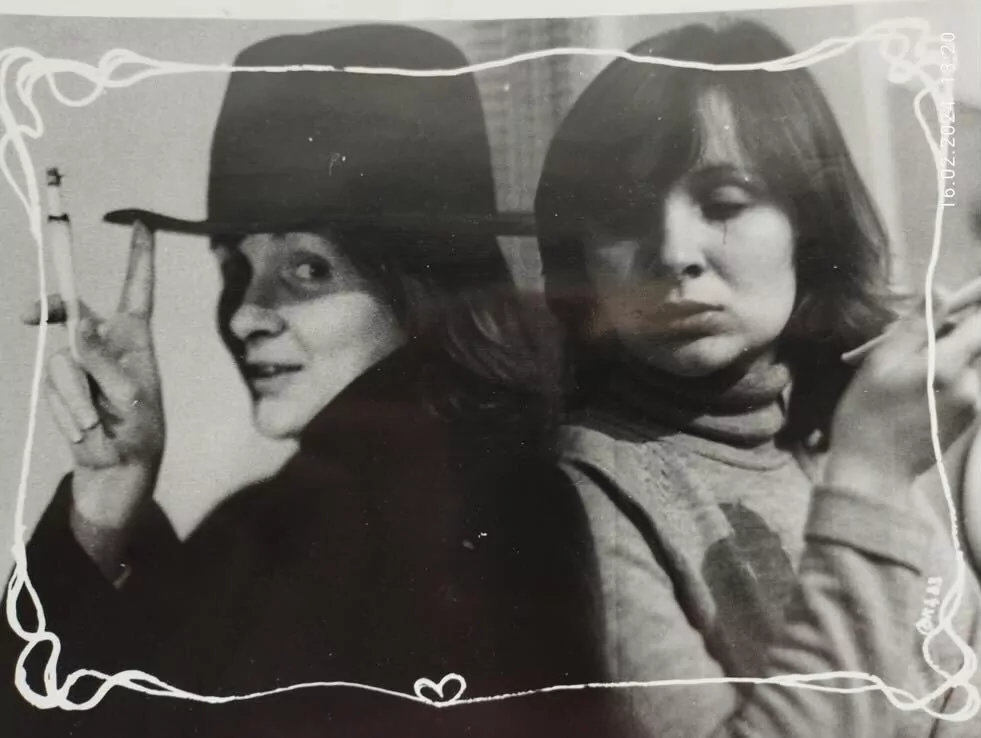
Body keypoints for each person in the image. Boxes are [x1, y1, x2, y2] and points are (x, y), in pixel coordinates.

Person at [3, 25, 616, 738]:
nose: (245, 315)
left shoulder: (495, 514)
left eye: (307, 268)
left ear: (420, 288)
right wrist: (109, 492)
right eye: (237, 266)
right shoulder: (265, 521)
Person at [534, 19, 981, 738]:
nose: (674, 253)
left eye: (724, 204)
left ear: (810, 228)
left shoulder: (826, 440)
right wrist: (869, 479)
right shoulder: (579, 493)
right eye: (621, 213)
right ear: (580, 259)